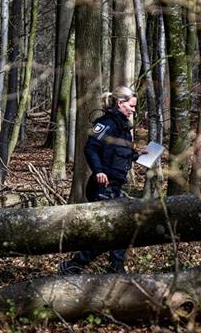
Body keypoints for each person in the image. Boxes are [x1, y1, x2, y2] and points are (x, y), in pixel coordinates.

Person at [59, 86, 142, 274]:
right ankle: (76, 265)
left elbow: (121, 154)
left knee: (119, 229)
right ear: (120, 103)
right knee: (115, 230)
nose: (133, 110)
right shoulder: (106, 123)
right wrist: (99, 171)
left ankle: (113, 269)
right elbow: (91, 147)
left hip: (115, 186)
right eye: (131, 105)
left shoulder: (123, 128)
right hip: (101, 186)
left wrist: (138, 154)